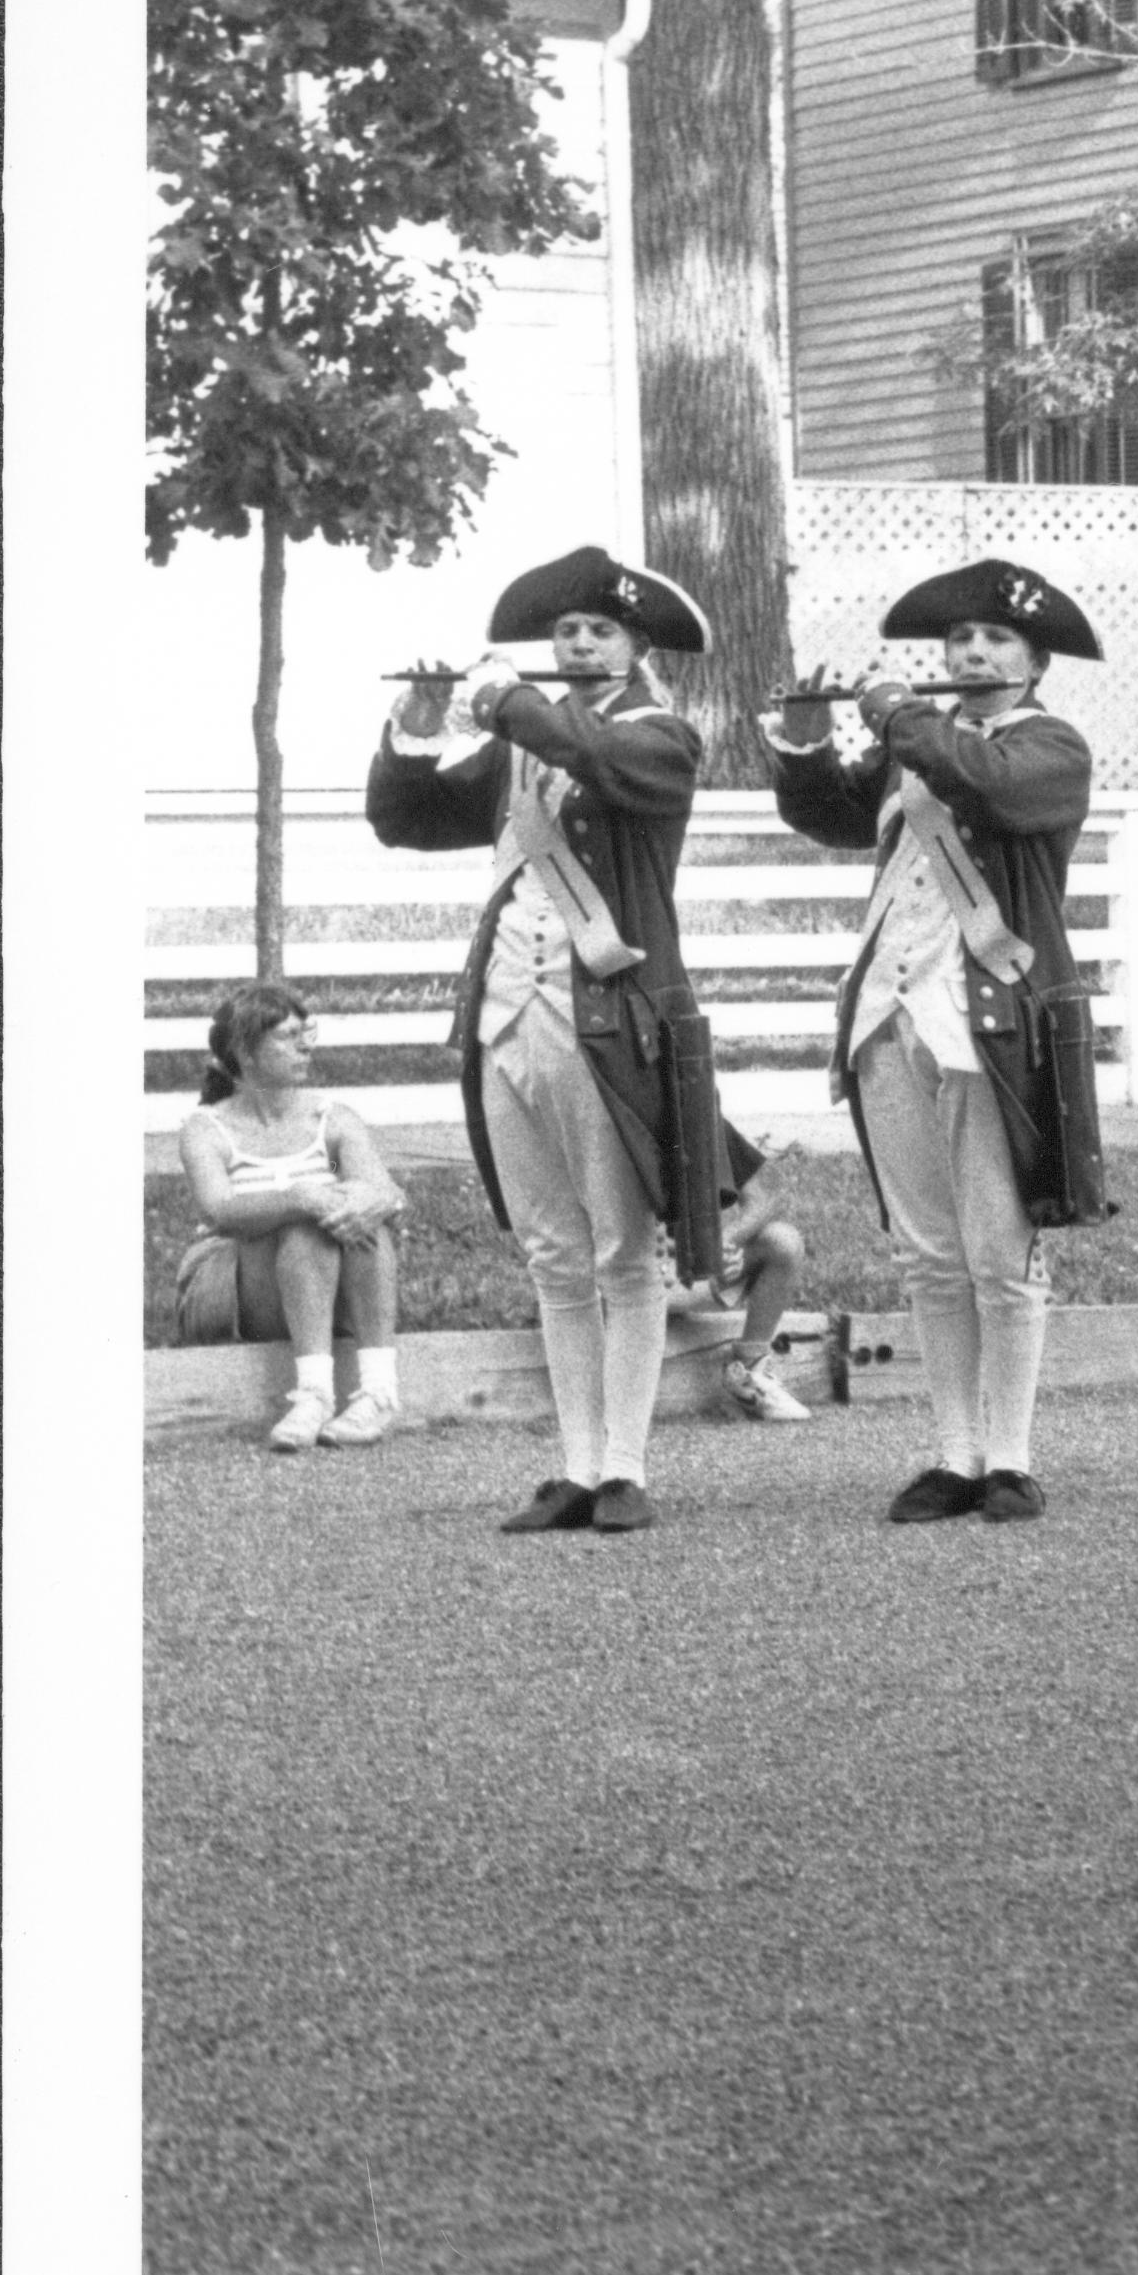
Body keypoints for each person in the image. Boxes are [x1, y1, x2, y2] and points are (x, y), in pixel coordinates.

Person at [370, 546, 727, 1535]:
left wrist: (506, 701)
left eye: (597, 631)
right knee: (552, 1254)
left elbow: (602, 763)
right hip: (507, 1013)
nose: (575, 642)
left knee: (623, 1250)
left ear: (635, 647)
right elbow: (408, 819)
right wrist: (415, 726)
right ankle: (573, 1465)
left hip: (605, 1021)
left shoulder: (661, 736)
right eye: (565, 631)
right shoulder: (526, 743)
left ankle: (624, 1465)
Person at [773, 558, 1109, 1525]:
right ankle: (954, 1453)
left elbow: (987, 786)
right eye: (960, 640)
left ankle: (1011, 1454)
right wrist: (802, 742)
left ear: (1035, 662)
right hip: (889, 1007)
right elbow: (831, 812)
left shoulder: (1051, 746)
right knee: (928, 1250)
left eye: (996, 639)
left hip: (992, 1019)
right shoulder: (917, 742)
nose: (972, 652)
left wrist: (894, 714)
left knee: (1001, 1247)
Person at [172, 979, 407, 1447]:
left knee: (363, 1221)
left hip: (323, 1286)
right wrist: (298, 1197)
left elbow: (372, 1184)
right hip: (236, 1291)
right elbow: (221, 1211)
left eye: (306, 1033)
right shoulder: (209, 1129)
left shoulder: (329, 1120)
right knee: (304, 1224)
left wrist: (373, 1200)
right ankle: (313, 1395)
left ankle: (378, 1393)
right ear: (246, 1052)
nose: (305, 1046)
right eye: (287, 1036)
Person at [683, 1148, 815, 1424]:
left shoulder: (700, 1113)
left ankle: (749, 1374)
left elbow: (763, 1197)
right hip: (621, 1275)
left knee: (783, 1243)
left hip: (682, 1274)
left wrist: (719, 1246)